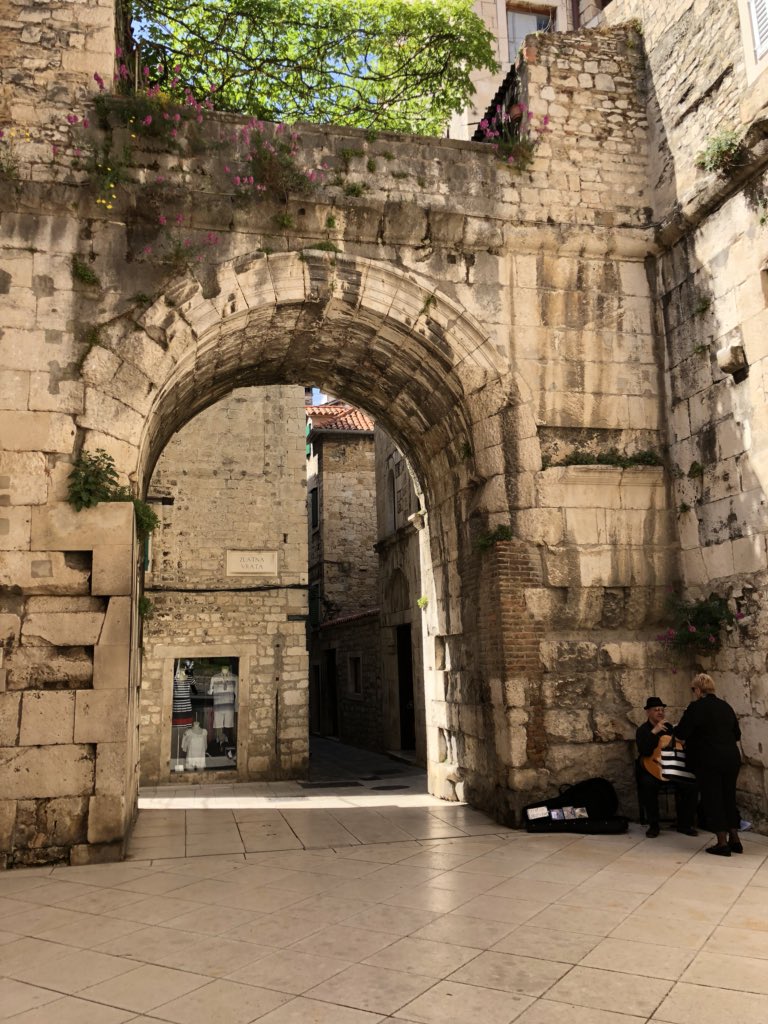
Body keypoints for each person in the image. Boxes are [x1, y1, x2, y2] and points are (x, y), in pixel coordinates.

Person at [675, 672, 742, 856]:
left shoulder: (696, 708)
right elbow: (737, 734)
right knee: (729, 796)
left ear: (697, 689)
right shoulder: (726, 707)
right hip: (731, 758)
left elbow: (681, 732)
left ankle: (722, 842)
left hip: (709, 759)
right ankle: (735, 838)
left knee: (713, 799)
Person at [636, 696, 698, 838]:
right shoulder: (643, 730)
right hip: (652, 770)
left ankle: (684, 824)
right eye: (656, 710)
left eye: (662, 710)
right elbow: (644, 751)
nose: (660, 712)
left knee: (691, 785)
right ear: (648, 712)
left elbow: (679, 749)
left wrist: (681, 742)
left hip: (671, 768)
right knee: (647, 784)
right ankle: (654, 825)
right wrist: (654, 732)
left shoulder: (670, 728)